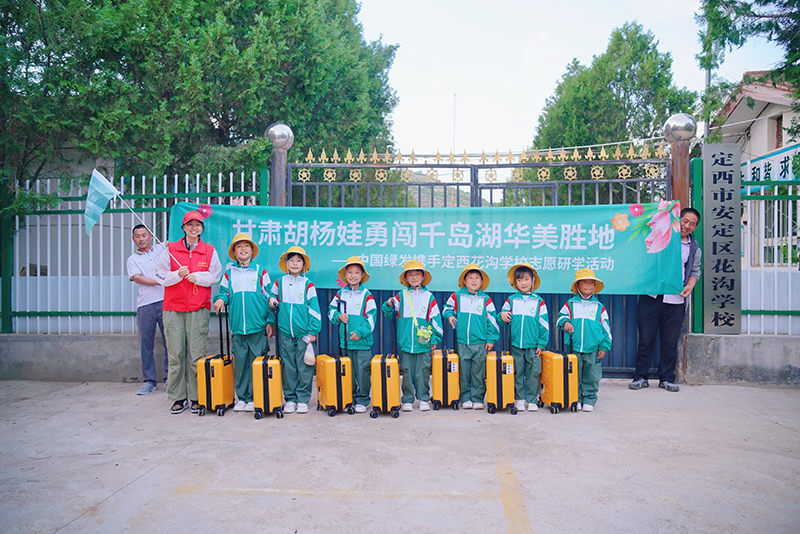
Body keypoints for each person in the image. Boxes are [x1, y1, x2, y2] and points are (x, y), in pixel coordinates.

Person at [154, 210, 222, 414]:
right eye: (190, 224)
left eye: (198, 225)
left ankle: (196, 396)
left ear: (202, 228)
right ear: (183, 227)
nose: (194, 228)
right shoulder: (170, 249)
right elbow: (159, 275)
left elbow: (215, 275)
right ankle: (177, 397)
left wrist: (198, 278)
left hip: (198, 308)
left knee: (196, 355)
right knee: (175, 354)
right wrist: (177, 274)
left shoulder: (209, 250)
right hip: (173, 308)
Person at [630, 207, 702, 393]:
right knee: (646, 339)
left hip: (676, 300)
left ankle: (667, 378)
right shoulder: (662, 237)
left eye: (692, 224)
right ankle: (640, 377)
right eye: (684, 220)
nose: (687, 225)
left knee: (670, 341)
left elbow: (695, 271)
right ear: (678, 219)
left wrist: (690, 286)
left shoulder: (694, 248)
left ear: (695, 227)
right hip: (651, 296)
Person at [213, 233, 272, 413]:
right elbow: (223, 293)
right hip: (238, 328)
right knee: (240, 364)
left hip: (257, 327)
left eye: (246, 246)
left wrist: (269, 321)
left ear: (252, 251)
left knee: (256, 362)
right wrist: (220, 299)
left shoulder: (261, 272)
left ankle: (255, 397)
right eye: (239, 246)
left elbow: (269, 296)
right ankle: (243, 397)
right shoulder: (229, 274)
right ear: (234, 252)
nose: (243, 249)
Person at [382, 259, 443, 412]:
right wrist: (388, 305)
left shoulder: (429, 297)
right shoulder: (401, 296)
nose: (414, 277)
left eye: (417, 274)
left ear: (423, 276)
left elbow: (436, 320)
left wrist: (434, 338)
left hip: (424, 343)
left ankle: (423, 398)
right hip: (406, 343)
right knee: (407, 372)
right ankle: (407, 399)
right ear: (406, 278)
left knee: (423, 371)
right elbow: (389, 314)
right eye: (410, 274)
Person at [267, 246, 321, 415]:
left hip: (304, 335)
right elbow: (271, 302)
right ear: (286, 263)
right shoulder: (279, 282)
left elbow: (315, 310)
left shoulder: (308, 284)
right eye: (292, 260)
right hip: (285, 333)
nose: (295, 264)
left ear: (304, 264)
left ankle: (303, 399)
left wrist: (312, 332)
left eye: (298, 261)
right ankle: (290, 399)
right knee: (288, 367)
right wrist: (271, 316)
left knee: (304, 367)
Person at [442, 263, 499, 410]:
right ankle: (465, 398)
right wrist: (450, 316)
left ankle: (478, 398)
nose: (473, 281)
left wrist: (491, 339)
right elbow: (447, 308)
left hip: (480, 342)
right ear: (464, 281)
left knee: (478, 372)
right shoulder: (457, 296)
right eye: (470, 278)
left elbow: (492, 320)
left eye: (477, 278)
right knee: (464, 371)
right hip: (462, 341)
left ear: (482, 281)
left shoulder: (486, 299)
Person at [556, 268, 612, 412]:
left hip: (592, 348)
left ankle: (589, 399)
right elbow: (560, 318)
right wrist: (565, 322)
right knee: (574, 374)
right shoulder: (570, 304)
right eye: (585, 282)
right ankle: (576, 399)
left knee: (591, 375)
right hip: (574, 348)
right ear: (577, 285)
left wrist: (604, 346)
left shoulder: (599, 307)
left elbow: (606, 329)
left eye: (591, 282)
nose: (588, 285)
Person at [328, 256, 377, 414]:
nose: (353, 276)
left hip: (362, 343)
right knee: (347, 372)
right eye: (349, 272)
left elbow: (371, 319)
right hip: (346, 343)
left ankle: (362, 399)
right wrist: (338, 316)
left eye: (357, 272)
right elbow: (330, 311)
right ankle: (349, 398)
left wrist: (360, 333)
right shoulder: (340, 294)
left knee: (363, 372)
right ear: (345, 275)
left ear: (362, 275)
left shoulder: (367, 295)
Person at [499, 263, 549, 412]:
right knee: (517, 372)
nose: (523, 283)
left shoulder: (539, 301)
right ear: (515, 282)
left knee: (533, 372)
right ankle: (519, 398)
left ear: (533, 280)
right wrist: (502, 315)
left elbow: (544, 324)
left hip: (533, 345)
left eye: (526, 279)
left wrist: (541, 343)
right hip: (516, 344)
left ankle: (532, 400)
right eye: (519, 280)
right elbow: (501, 319)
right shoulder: (511, 300)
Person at [126, 224, 168, 395]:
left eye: (144, 235)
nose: (141, 239)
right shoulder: (132, 259)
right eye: (137, 236)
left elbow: (177, 236)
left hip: (166, 302)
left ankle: (170, 379)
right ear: (133, 239)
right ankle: (149, 381)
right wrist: (161, 281)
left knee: (170, 342)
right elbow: (138, 278)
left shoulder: (161, 249)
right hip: (145, 305)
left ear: (151, 236)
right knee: (146, 343)